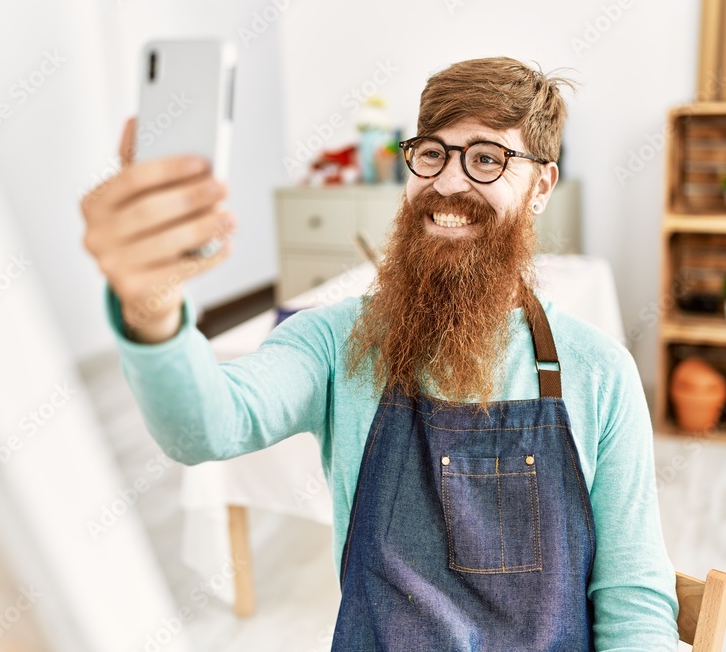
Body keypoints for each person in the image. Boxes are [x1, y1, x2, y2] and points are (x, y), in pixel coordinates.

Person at [80, 56, 679, 651]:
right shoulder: (336, 342)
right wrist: (151, 305)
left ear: (541, 185)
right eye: (431, 152)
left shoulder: (600, 371)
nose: (447, 182)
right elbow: (205, 427)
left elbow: (634, 602)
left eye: (487, 158)